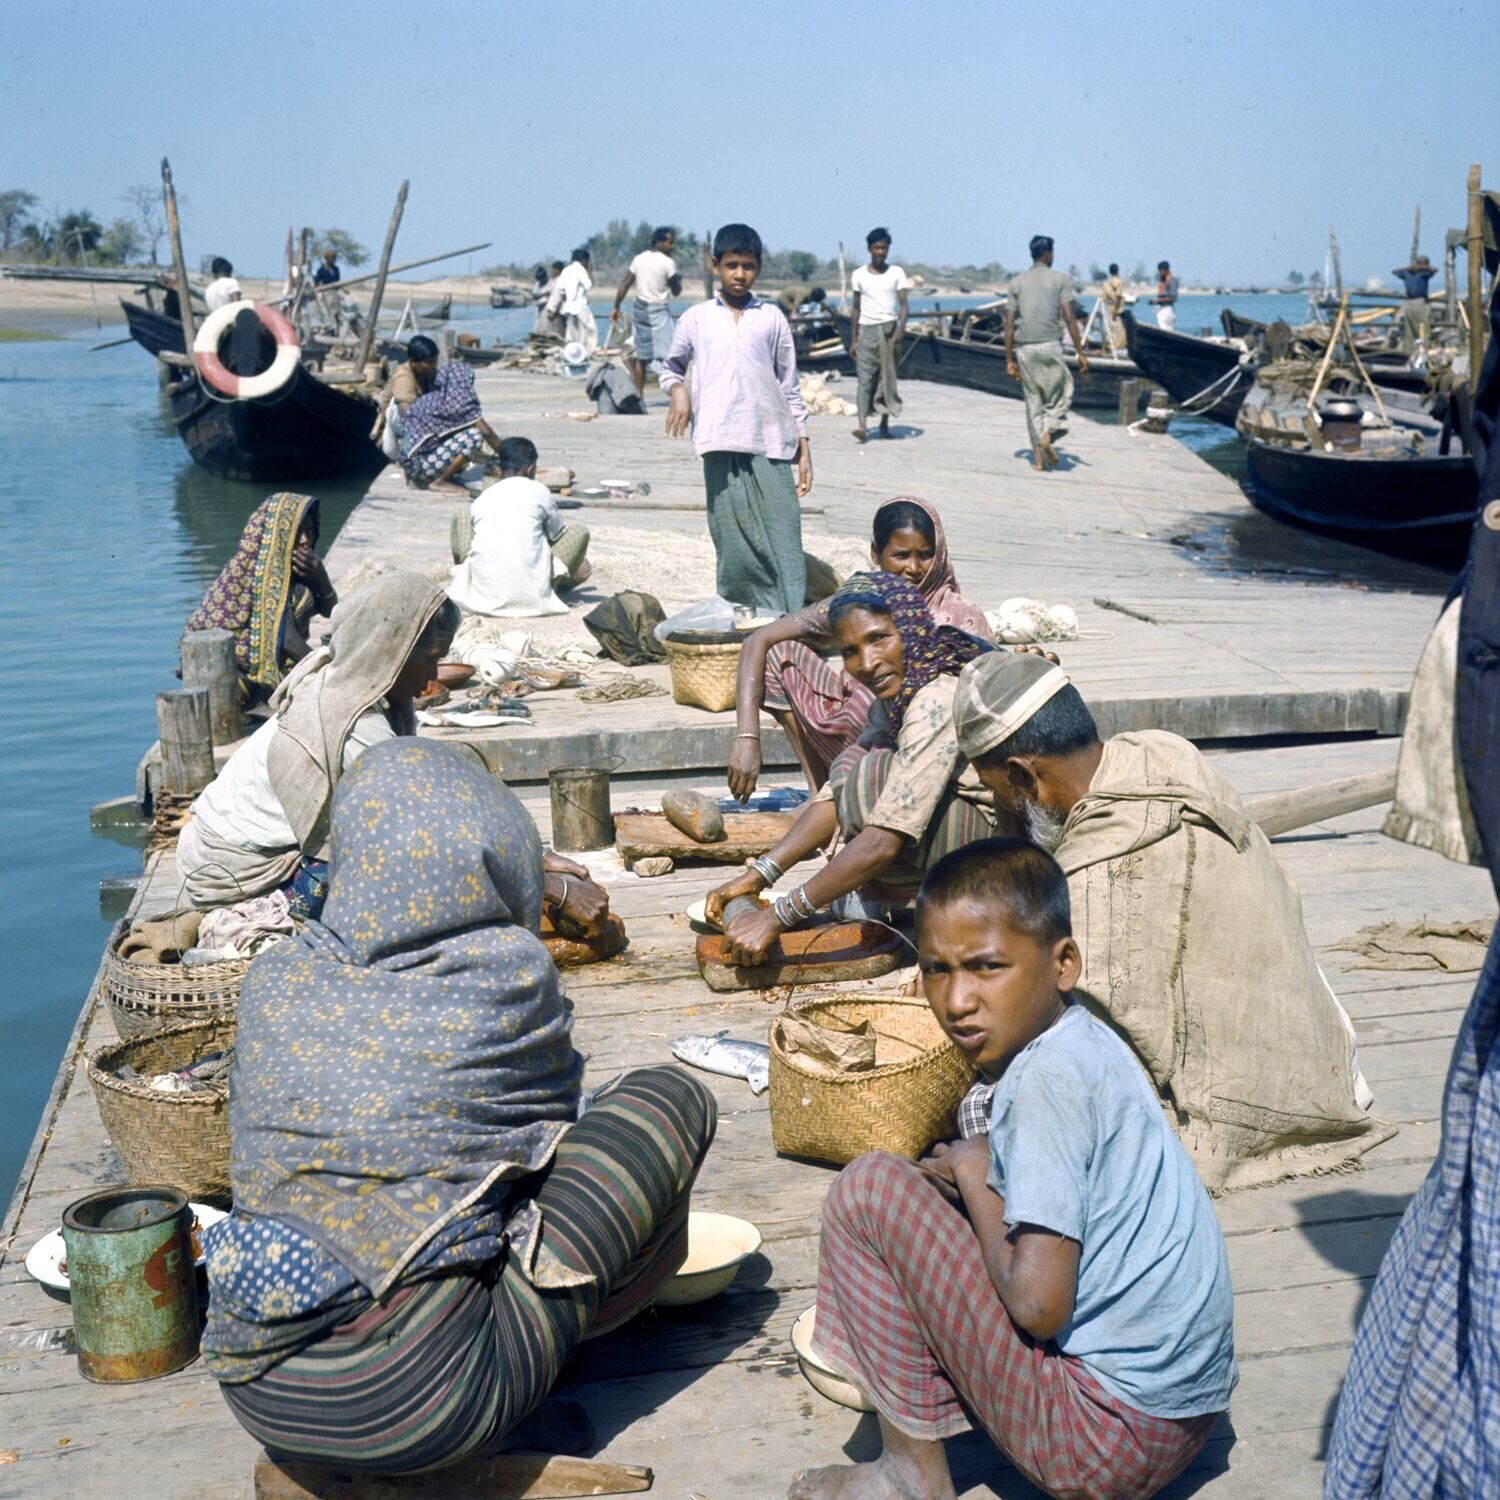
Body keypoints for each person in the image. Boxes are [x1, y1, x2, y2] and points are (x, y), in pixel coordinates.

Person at [200, 737, 716, 1473]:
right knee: (670, 1102)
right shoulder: (505, 980)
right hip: (425, 1408)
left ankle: (476, 1333)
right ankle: (533, 1358)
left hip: (257, 1389)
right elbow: (551, 1136)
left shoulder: (276, 977)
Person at [789, 838, 1236, 1500]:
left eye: (987, 967)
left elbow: (1039, 1307)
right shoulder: (1084, 1038)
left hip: (1106, 1441)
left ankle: (909, 1478)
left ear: (1063, 963)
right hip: (1185, 1413)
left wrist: (974, 1172)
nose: (957, 1000)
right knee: (936, 1188)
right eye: (936, 970)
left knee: (870, 1192)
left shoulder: (1042, 1082)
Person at [951, 650, 1390, 1193]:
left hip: (1231, 1108)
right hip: (1326, 1056)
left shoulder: (1089, 885)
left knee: (979, 1107)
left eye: (999, 790)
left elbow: (1058, 1036)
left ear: (1023, 775)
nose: (1002, 806)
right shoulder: (1164, 752)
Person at [706, 571, 1008, 963]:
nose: (867, 662)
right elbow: (834, 794)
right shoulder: (896, 696)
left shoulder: (935, 697)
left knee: (873, 775)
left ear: (911, 629)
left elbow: (884, 840)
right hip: (962, 840)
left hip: (1003, 856)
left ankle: (963, 921)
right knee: (852, 767)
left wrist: (778, 916)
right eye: (850, 651)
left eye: (879, 638)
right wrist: (760, 875)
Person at [178, 573, 457, 917]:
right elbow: (415, 822)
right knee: (397, 875)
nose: (433, 675)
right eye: (431, 658)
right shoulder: (354, 722)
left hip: (213, 853)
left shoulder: (342, 678)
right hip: (228, 875)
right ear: (394, 650)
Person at [729, 497, 994, 800]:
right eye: (901, 555)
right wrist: (747, 737)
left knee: (874, 698)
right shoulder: (859, 602)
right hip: (855, 732)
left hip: (913, 747)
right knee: (780, 654)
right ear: (875, 553)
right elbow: (758, 639)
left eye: (925, 555)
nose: (913, 568)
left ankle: (850, 793)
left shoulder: (958, 615)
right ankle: (819, 789)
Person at [661, 223, 814, 616]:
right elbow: (671, 368)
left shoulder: (773, 319)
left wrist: (804, 447)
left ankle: (788, 614)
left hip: (771, 439)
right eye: (731, 266)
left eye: (748, 266)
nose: (739, 275)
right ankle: (745, 612)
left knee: (783, 529)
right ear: (715, 266)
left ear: (758, 268)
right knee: (732, 537)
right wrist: (678, 390)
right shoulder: (696, 318)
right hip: (718, 438)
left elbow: (789, 386)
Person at [185, 493, 337, 709]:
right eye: (297, 532)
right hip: (230, 681)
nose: (304, 540)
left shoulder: (293, 572)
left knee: (304, 595)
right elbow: (289, 641)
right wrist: (331, 673)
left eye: (309, 532)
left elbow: (330, 610)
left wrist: (321, 578)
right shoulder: (264, 573)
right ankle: (260, 697)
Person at [448, 435, 592, 617]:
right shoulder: (539, 491)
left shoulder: (484, 496)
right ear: (530, 469)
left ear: (499, 470)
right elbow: (555, 534)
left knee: (462, 515)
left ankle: (466, 580)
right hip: (532, 594)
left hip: (482, 596)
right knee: (579, 532)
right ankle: (560, 585)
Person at [1004, 235, 1089, 472]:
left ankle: (1038, 460)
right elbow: (1070, 317)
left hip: (1025, 349)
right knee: (1062, 392)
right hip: (1050, 346)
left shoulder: (1016, 282)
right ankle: (1048, 435)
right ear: (1047, 254)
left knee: (1033, 401)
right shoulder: (1059, 279)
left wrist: (1009, 359)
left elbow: (1009, 324)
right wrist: (1080, 353)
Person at [400, 358, 502, 493]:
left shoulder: (430, 399)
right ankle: (439, 482)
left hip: (412, 466)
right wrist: (509, 457)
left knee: (469, 440)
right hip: (422, 467)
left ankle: (442, 476)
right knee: (474, 436)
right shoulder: (458, 402)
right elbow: (487, 432)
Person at [848, 228, 911, 442]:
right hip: (866, 332)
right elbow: (855, 308)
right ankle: (862, 425)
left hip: (888, 331)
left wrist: (900, 329)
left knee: (886, 380)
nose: (880, 252)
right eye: (877, 248)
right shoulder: (859, 275)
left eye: (884, 248)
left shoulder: (896, 273)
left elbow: (904, 305)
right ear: (869, 249)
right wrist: (854, 340)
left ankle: (884, 425)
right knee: (865, 379)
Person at [611, 227, 683, 394]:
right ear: (658, 243)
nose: (672, 246)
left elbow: (624, 284)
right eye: (669, 243)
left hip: (641, 310)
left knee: (641, 357)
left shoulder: (639, 259)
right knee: (669, 353)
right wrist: (677, 280)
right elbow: (676, 291)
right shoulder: (668, 263)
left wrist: (616, 307)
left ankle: (639, 395)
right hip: (658, 311)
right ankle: (674, 393)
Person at [370, 333, 439, 452]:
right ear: (413, 362)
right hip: (400, 423)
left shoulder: (428, 372)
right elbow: (408, 414)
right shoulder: (403, 377)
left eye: (435, 362)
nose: (433, 366)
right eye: (429, 362)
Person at [547, 248, 597, 353]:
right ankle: (587, 352)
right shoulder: (581, 270)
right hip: (581, 306)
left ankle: (571, 352)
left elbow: (560, 288)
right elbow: (588, 285)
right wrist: (589, 274)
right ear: (584, 260)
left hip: (569, 307)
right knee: (589, 330)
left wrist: (566, 298)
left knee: (572, 332)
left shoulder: (566, 271)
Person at [1390, 253, 1438, 352]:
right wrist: (1411, 268)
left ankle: (1413, 351)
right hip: (1416, 302)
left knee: (1413, 328)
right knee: (1419, 328)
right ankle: (1418, 351)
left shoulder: (1423, 273)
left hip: (1411, 302)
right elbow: (1394, 272)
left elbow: (1434, 270)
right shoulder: (1414, 273)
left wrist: (1417, 267)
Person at [313, 246, 342, 332]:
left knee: (336, 312)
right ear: (327, 258)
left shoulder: (336, 269)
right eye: (332, 257)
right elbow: (317, 282)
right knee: (328, 312)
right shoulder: (321, 270)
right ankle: (330, 327)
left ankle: (337, 329)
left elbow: (337, 282)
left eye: (335, 257)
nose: (334, 259)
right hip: (326, 293)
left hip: (335, 294)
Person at [534, 260, 565, 336]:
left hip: (552, 310)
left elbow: (557, 297)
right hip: (543, 310)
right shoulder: (538, 284)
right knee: (541, 329)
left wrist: (552, 310)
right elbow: (534, 295)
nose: (552, 271)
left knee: (552, 330)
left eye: (553, 269)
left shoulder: (554, 282)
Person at [1101, 261, 1127, 352]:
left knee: (1109, 330)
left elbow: (1104, 297)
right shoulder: (1119, 282)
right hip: (1117, 309)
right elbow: (1118, 297)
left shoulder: (1106, 283)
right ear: (1117, 271)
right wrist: (1115, 312)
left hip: (1109, 307)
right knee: (1118, 331)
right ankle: (1116, 350)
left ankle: (1110, 348)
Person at [1153, 259, 1178, 331]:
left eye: (1160, 271)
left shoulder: (1171, 281)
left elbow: (1173, 298)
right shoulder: (1163, 281)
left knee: (1165, 330)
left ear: (1165, 270)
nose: (1159, 273)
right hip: (1161, 309)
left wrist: (1159, 300)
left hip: (1167, 310)